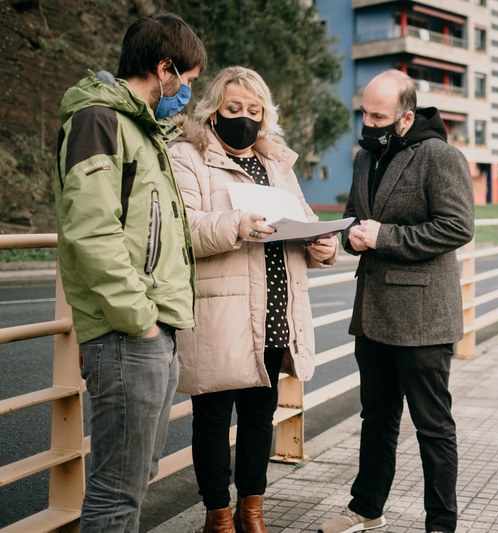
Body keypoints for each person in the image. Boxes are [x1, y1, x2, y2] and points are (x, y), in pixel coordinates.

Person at [168, 66, 338, 533]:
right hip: (221, 311)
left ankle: (252, 511)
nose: (244, 117)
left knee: (260, 417)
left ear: (265, 116)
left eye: (254, 110)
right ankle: (218, 517)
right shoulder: (187, 156)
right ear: (213, 110)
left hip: (276, 310)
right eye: (233, 108)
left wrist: (323, 246)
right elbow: (183, 227)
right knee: (213, 419)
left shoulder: (278, 164)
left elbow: (305, 219)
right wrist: (236, 225)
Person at [53, 12, 206, 532]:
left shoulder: (143, 130)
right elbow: (91, 232)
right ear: (164, 69)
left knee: (135, 481)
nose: (185, 93)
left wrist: (155, 325)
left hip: (151, 332)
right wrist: (139, 319)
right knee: (116, 492)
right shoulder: (99, 121)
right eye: (186, 82)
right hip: (127, 335)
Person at [318, 69, 474, 533]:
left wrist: (383, 236)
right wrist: (346, 240)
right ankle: (366, 509)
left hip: (425, 320)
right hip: (373, 315)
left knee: (433, 428)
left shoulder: (440, 157)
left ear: (405, 118)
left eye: (378, 115)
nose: (367, 122)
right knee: (377, 419)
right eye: (364, 112)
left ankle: (441, 525)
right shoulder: (365, 157)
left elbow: (457, 227)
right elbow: (352, 218)